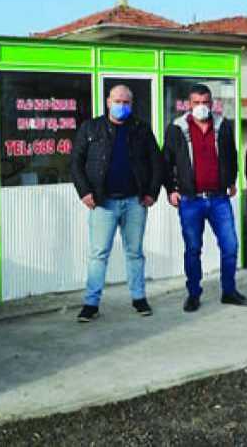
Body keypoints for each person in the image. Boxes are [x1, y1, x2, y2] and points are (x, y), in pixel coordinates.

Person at [71, 84, 163, 322]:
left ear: (131, 104)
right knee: (98, 254)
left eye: (126, 102)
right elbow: (76, 163)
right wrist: (84, 192)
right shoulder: (91, 128)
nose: (122, 106)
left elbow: (156, 162)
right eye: (117, 101)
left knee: (134, 253)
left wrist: (152, 192)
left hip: (135, 202)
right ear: (108, 102)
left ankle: (139, 298)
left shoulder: (141, 129)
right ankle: (91, 304)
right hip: (103, 203)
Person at [163, 84, 247, 312]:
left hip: (219, 198)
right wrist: (171, 189)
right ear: (188, 104)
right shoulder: (177, 128)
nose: (201, 107)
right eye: (196, 103)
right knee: (193, 248)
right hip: (190, 200)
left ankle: (229, 291)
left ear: (212, 103)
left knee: (230, 246)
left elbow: (232, 156)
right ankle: (193, 293)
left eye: (205, 102)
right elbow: (167, 162)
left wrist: (231, 180)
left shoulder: (223, 125)